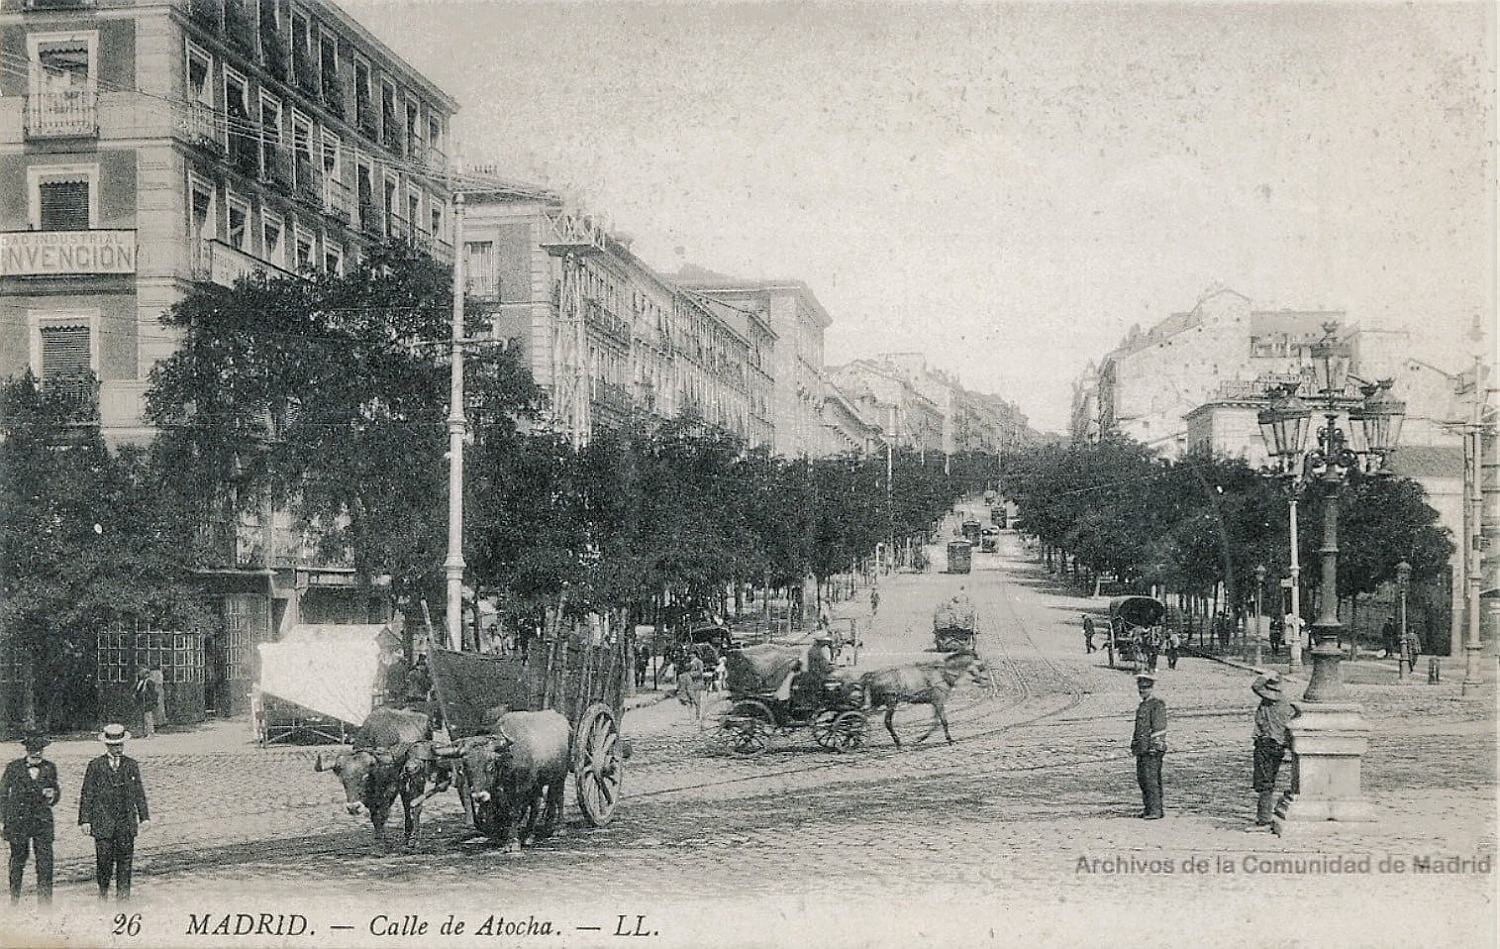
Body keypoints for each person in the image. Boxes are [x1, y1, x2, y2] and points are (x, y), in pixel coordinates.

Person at [79, 724, 150, 901]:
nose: (118, 749)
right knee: (104, 862)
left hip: (126, 823)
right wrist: (85, 820)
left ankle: (123, 900)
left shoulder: (131, 765)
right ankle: (103, 894)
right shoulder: (95, 766)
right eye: (114, 746)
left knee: (125, 863)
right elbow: (87, 793)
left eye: (120, 745)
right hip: (103, 823)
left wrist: (144, 817)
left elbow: (139, 792)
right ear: (107, 746)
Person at [2, 731, 58, 906]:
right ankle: (14, 901)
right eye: (33, 749)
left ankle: (45, 905)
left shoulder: (50, 767)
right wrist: (2, 820)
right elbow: (2, 795)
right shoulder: (13, 767)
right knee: (18, 859)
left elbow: (55, 792)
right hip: (18, 821)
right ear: (26, 749)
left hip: (42, 822)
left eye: (40, 749)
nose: (36, 753)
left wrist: (53, 795)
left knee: (45, 861)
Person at [1249, 673, 1294, 830]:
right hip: (1278, 744)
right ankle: (1264, 817)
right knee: (1268, 780)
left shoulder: (1273, 698)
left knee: (1264, 782)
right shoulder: (1286, 701)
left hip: (1266, 743)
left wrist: (1265, 675)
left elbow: (1256, 686)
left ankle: (1264, 820)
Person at [1129, 672, 1166, 820]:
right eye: (1140, 689)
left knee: (1151, 779)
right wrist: (1135, 743)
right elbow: (1139, 728)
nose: (1142, 691)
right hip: (1142, 748)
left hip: (1151, 749)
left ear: (1151, 688)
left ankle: (1156, 810)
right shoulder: (1142, 706)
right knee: (1143, 779)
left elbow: (1159, 727)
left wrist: (1155, 745)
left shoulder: (1157, 705)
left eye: (1145, 688)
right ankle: (1148, 808)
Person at [133, 668, 158, 739]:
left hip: (147, 702)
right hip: (141, 702)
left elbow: (153, 692)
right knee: (144, 717)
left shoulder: (149, 682)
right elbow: (137, 690)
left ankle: (150, 732)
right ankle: (144, 732)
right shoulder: (141, 682)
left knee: (148, 717)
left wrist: (152, 700)